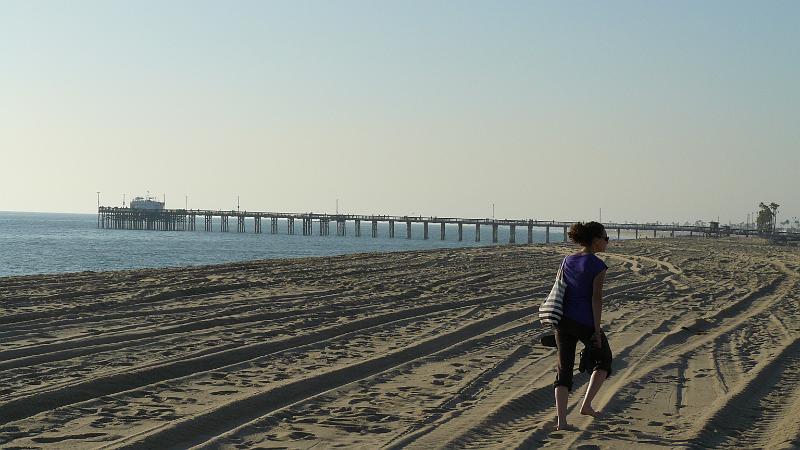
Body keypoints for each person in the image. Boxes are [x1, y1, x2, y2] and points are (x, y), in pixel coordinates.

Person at [553, 221, 613, 431]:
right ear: (596, 240)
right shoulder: (597, 265)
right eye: (605, 238)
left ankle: (562, 421)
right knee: (604, 360)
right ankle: (586, 405)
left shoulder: (567, 259)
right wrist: (596, 331)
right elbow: (596, 300)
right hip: (584, 321)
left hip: (562, 320)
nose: (607, 242)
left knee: (564, 368)